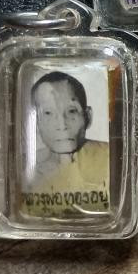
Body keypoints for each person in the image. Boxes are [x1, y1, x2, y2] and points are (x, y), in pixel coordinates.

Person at [22, 71, 110, 217]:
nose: (62, 125)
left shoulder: (111, 158)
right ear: (35, 122)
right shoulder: (24, 169)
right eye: (48, 113)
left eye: (71, 111)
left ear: (88, 117)